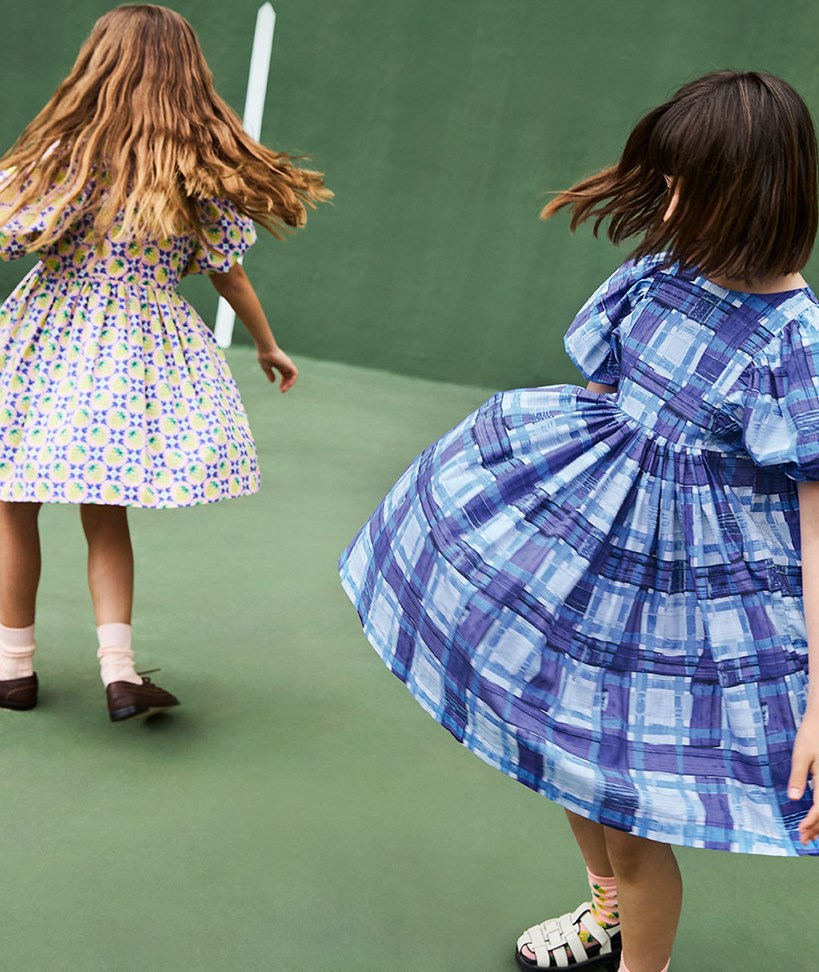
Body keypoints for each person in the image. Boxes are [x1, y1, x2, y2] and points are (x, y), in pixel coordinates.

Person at [338, 70, 819, 972]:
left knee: (634, 822)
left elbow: (814, 522)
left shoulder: (793, 338)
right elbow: (604, 400)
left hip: (691, 604)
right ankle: (604, 915)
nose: (667, 202)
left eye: (686, 184)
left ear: (749, 190)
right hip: (600, 573)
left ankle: (641, 956)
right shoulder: (658, 274)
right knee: (571, 751)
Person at [0, 4, 330, 722]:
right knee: (103, 509)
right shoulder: (193, 170)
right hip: (135, 343)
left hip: (47, 336)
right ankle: (118, 671)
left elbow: (9, 235)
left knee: (11, 501)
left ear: (96, 66)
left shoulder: (63, 158)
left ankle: (12, 667)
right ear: (188, 76)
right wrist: (267, 343)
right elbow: (228, 272)